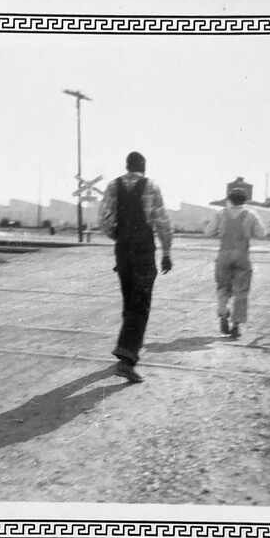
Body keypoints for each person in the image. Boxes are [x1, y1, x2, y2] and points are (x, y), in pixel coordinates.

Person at [98, 151, 173, 383]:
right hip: (143, 250)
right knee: (140, 304)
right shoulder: (151, 186)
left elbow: (104, 219)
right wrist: (167, 252)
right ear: (144, 167)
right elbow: (162, 222)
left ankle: (125, 348)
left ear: (127, 166)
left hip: (122, 250)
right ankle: (127, 359)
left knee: (129, 300)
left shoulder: (113, 186)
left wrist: (119, 236)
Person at [204, 187, 267, 338]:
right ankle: (236, 325)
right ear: (245, 200)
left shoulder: (220, 213)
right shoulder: (251, 214)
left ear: (229, 199)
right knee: (241, 291)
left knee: (222, 288)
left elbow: (208, 232)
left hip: (224, 254)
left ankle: (223, 313)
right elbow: (262, 234)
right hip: (242, 255)